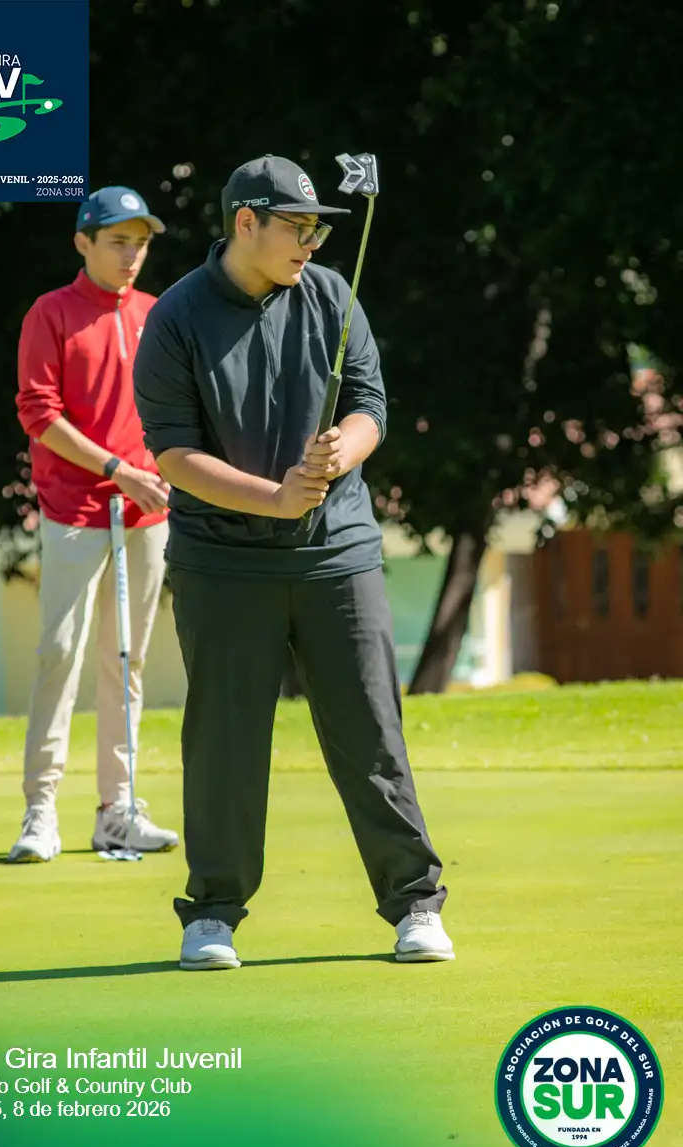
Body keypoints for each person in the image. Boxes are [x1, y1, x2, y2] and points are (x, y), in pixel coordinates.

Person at [134, 155, 452, 968]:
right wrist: (274, 497)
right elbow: (172, 453)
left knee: (370, 731)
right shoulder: (175, 317)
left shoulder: (332, 295)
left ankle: (415, 904)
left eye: (319, 229)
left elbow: (370, 405)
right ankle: (212, 914)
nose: (312, 243)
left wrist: (343, 449)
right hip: (222, 563)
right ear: (246, 222)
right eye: (299, 227)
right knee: (225, 742)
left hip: (336, 554)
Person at [9, 186, 179, 862]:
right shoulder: (51, 312)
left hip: (146, 510)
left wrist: (161, 473)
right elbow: (38, 413)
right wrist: (117, 468)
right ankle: (40, 809)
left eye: (140, 242)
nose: (131, 254)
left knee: (127, 660)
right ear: (83, 242)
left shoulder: (157, 313)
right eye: (118, 241)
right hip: (74, 510)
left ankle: (118, 810)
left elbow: (178, 406)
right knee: (60, 653)